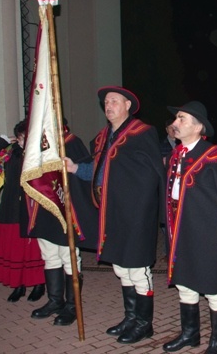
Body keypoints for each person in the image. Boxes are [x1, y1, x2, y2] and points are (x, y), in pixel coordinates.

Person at [65, 86, 165, 344]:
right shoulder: (102, 137)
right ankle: (131, 317)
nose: (108, 106)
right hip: (110, 213)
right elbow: (98, 170)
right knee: (121, 267)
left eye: (114, 101)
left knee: (137, 268)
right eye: (106, 102)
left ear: (128, 105)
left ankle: (145, 324)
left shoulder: (142, 133)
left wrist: (136, 207)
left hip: (134, 214)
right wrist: (75, 167)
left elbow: (150, 175)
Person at [162, 101, 217, 354]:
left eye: (182, 119)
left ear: (199, 126)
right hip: (180, 231)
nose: (175, 123)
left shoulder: (215, 158)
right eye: (176, 118)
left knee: (212, 286)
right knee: (185, 283)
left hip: (208, 234)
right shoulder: (175, 155)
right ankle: (190, 334)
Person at [27, 121, 98, 326]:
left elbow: (81, 178)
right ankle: (55, 301)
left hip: (67, 209)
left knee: (69, 257)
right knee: (49, 256)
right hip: (44, 209)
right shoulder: (38, 144)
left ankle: (71, 305)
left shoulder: (71, 142)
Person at [0, 120, 45, 303]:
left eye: (25, 137)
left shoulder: (40, 154)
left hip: (32, 207)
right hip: (11, 207)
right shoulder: (10, 153)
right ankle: (18, 285)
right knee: (15, 249)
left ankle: (38, 284)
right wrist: (2, 140)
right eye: (19, 138)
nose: (21, 142)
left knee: (33, 250)